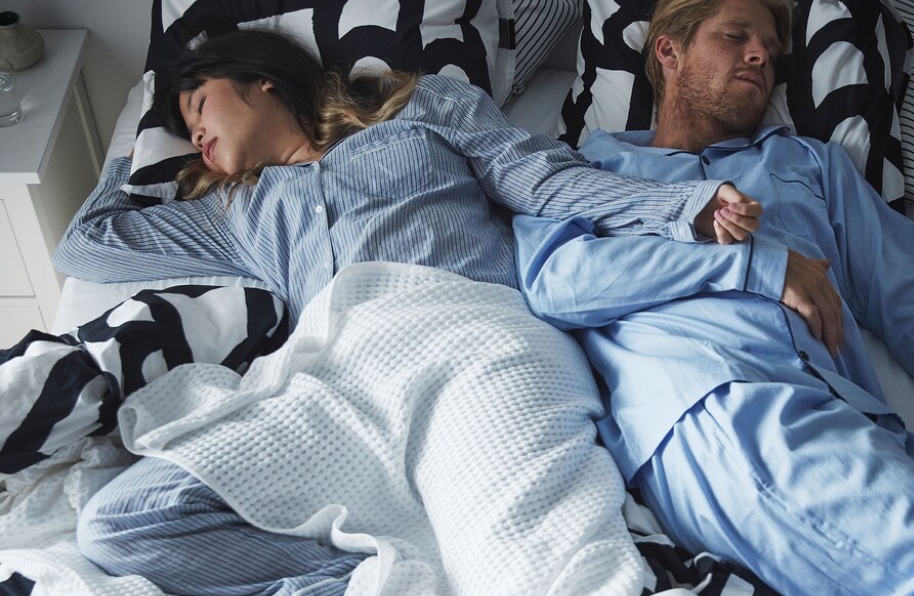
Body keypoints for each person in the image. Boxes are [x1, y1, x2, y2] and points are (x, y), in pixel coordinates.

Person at [52, 29, 760, 595]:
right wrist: (135, 145)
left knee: (542, 571)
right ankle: (381, 578)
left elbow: (540, 179)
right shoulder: (236, 211)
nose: (197, 138)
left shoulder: (418, 109)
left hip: (472, 348)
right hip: (333, 383)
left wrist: (683, 208)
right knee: (122, 522)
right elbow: (86, 246)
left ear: (259, 78)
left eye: (199, 107)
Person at [513, 0, 914, 593]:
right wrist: (755, 263)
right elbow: (560, 281)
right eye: (736, 36)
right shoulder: (589, 169)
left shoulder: (810, 164)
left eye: (770, 49)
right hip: (722, 406)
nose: (760, 56)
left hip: (861, 423)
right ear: (670, 51)